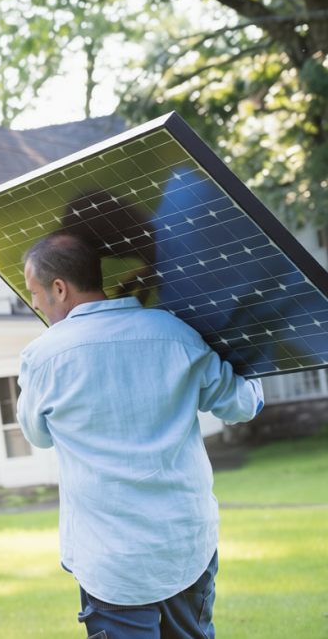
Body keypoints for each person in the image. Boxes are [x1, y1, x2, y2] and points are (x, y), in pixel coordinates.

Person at [17, 232, 264, 639]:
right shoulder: (175, 332)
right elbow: (241, 404)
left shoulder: (43, 358)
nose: (34, 304)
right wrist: (259, 357)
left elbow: (37, 435)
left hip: (112, 561)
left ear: (59, 288)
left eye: (34, 293)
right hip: (185, 545)